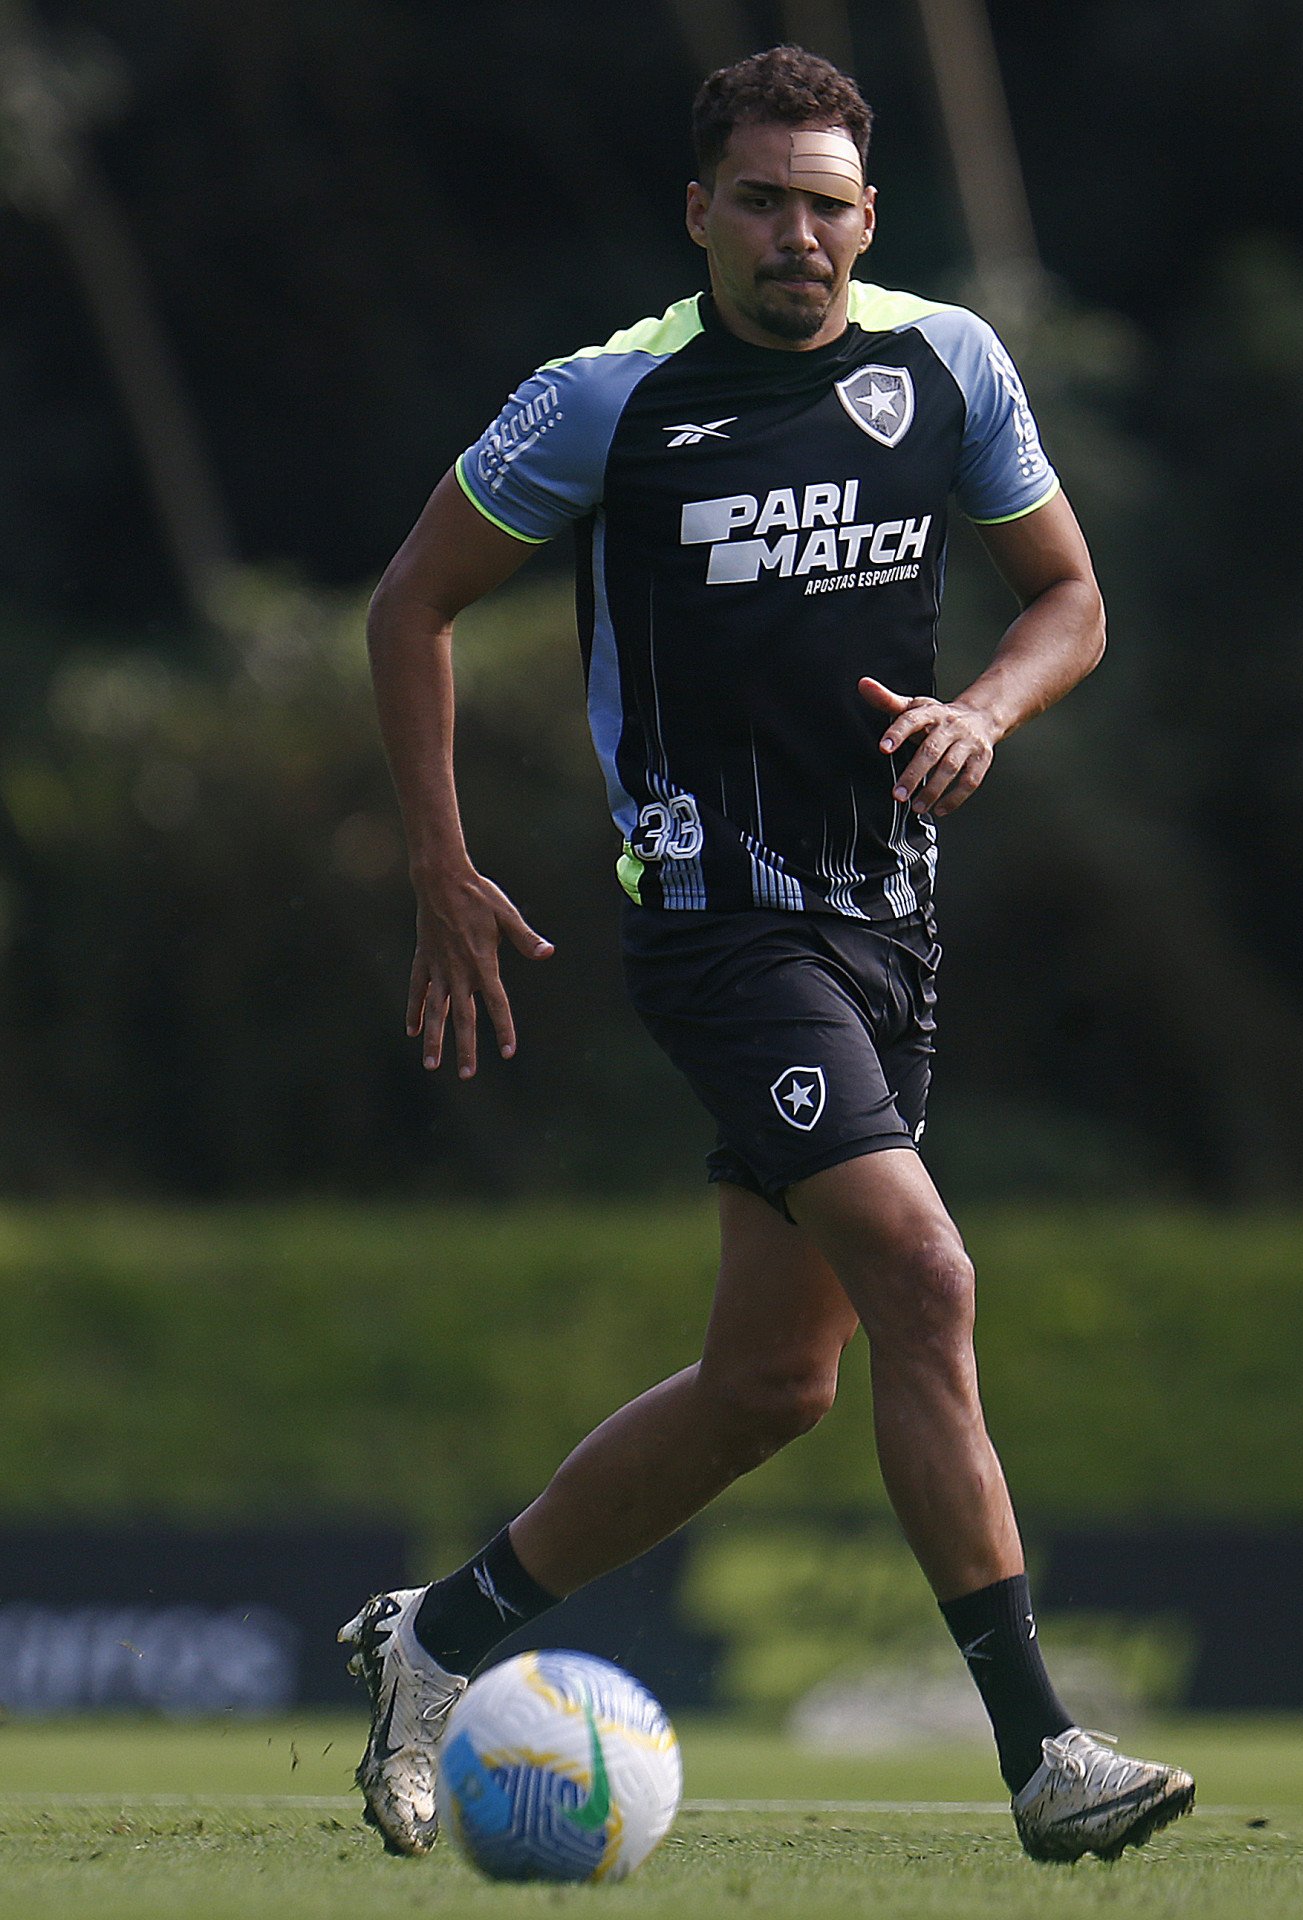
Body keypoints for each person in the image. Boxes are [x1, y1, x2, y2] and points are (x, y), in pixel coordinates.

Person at [340, 44, 1194, 1867]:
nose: (794, 234)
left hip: (891, 923)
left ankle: (439, 1638)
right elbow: (412, 601)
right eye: (760, 200)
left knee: (771, 1387)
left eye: (825, 204)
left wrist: (985, 712)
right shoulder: (608, 399)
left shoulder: (948, 364)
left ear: (868, 218)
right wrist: (440, 863)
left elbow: (1070, 596)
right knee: (928, 1276)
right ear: (700, 213)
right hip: (720, 922)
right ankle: (1044, 1755)